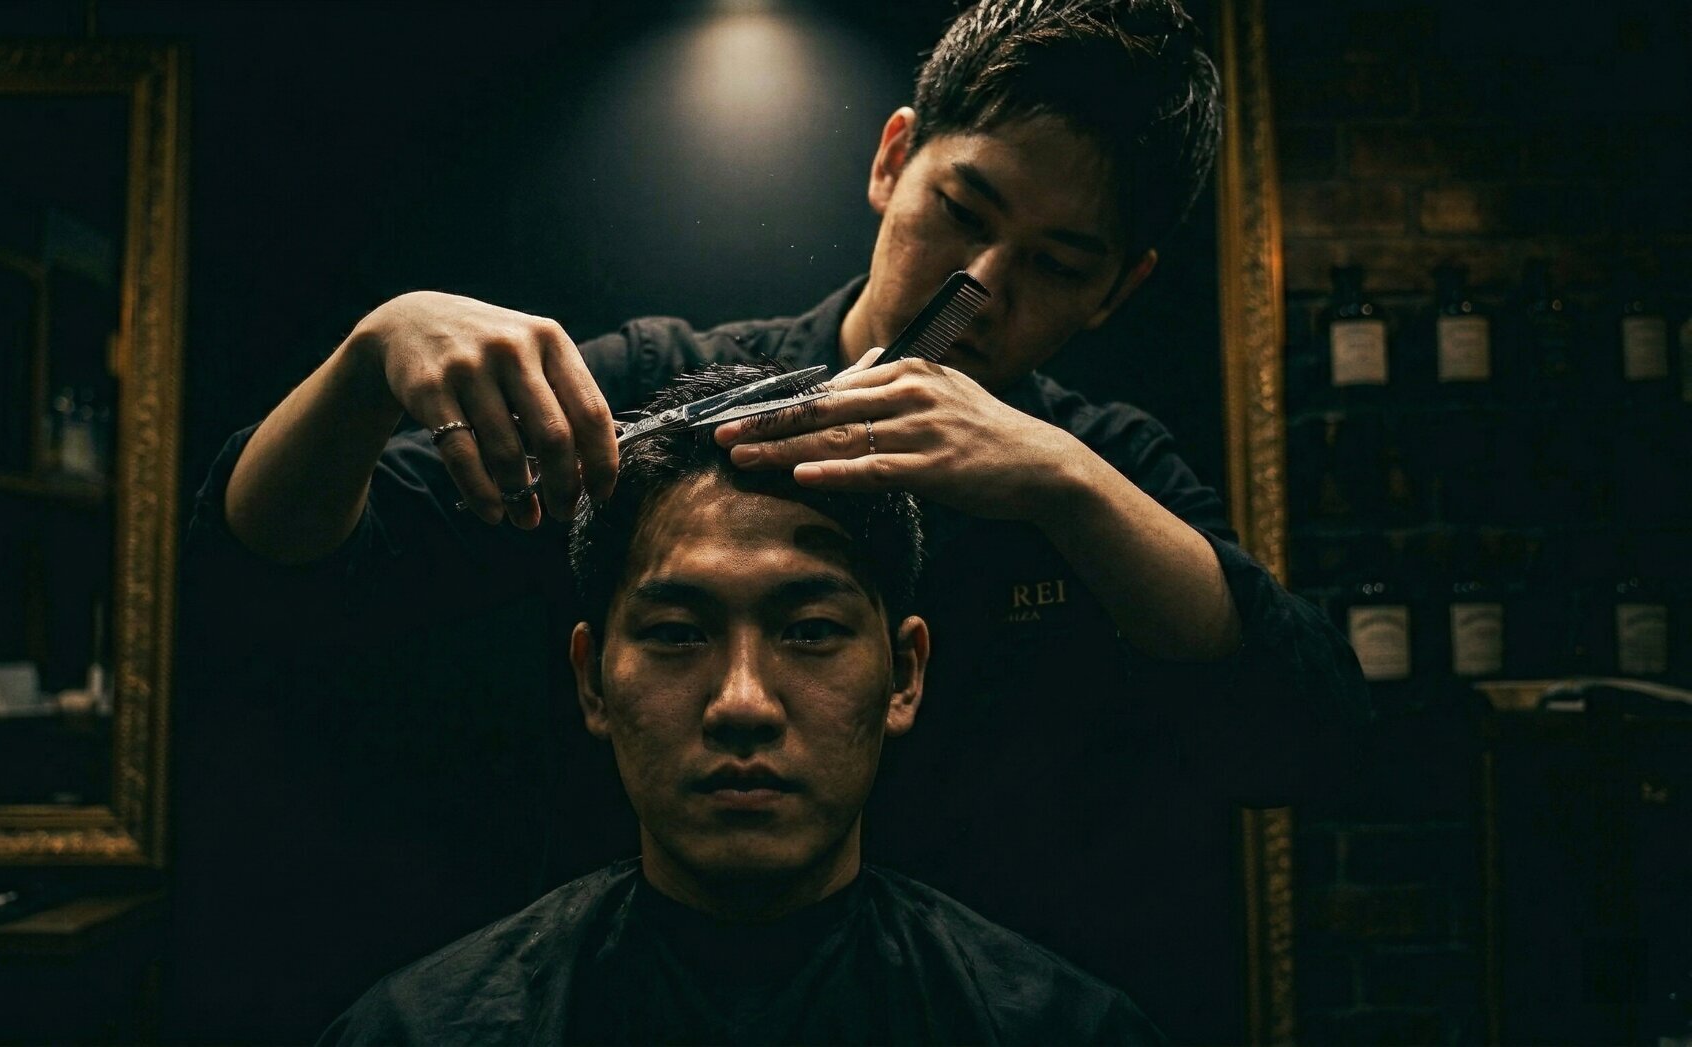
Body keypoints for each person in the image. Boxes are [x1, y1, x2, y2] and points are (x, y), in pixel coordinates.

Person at [190, 0, 1365, 1036]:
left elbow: (1310, 717)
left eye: (1058, 265)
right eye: (963, 210)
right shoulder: (662, 398)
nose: (983, 290)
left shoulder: (1100, 471)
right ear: (895, 159)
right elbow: (265, 558)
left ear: (1122, 288)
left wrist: (1061, 483)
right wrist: (369, 357)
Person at [318, 362, 1162, 1045]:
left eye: (811, 630)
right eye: (680, 633)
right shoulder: (417, 1030)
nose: (743, 701)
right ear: (592, 679)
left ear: (904, 673)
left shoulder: (1066, 1029)